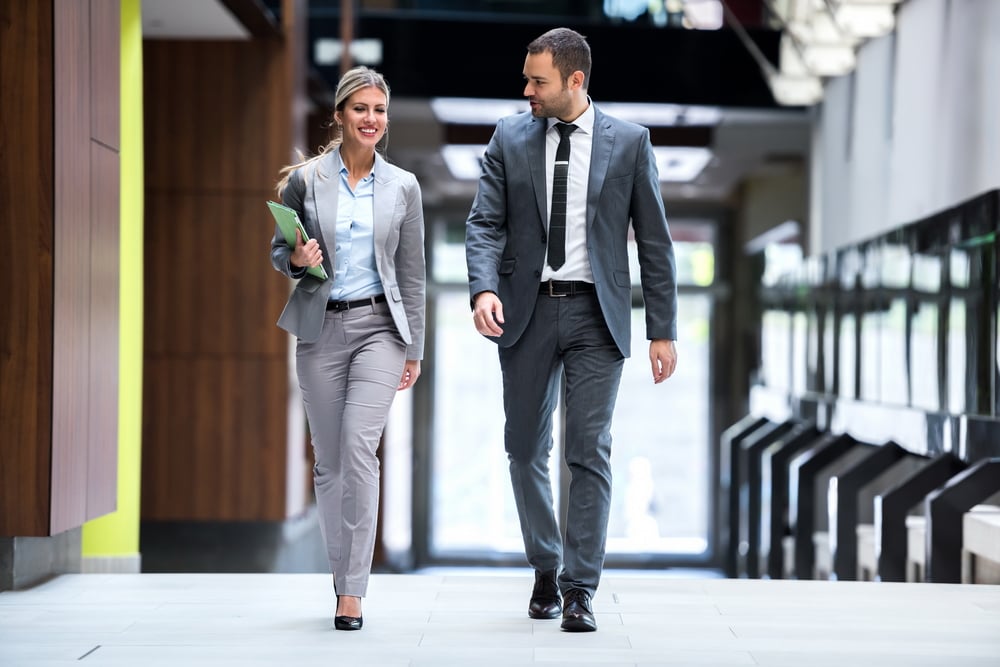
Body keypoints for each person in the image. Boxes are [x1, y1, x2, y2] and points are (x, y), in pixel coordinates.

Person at [465, 27, 678, 632]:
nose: (526, 89)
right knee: (526, 447)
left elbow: (655, 243)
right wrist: (483, 287)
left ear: (575, 81)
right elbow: (484, 224)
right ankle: (545, 565)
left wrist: (662, 329)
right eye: (527, 78)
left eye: (538, 81)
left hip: (597, 315)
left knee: (589, 452)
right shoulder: (510, 136)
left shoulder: (630, 144)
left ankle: (580, 586)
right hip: (525, 311)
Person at [270, 66, 425, 631]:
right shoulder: (307, 181)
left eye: (380, 110)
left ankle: (353, 591)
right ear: (338, 115)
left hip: (382, 330)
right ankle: (341, 578)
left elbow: (412, 275)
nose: (371, 119)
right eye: (360, 108)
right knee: (330, 463)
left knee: (361, 452)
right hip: (319, 330)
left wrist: (415, 349)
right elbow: (277, 249)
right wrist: (296, 260)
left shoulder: (403, 186)